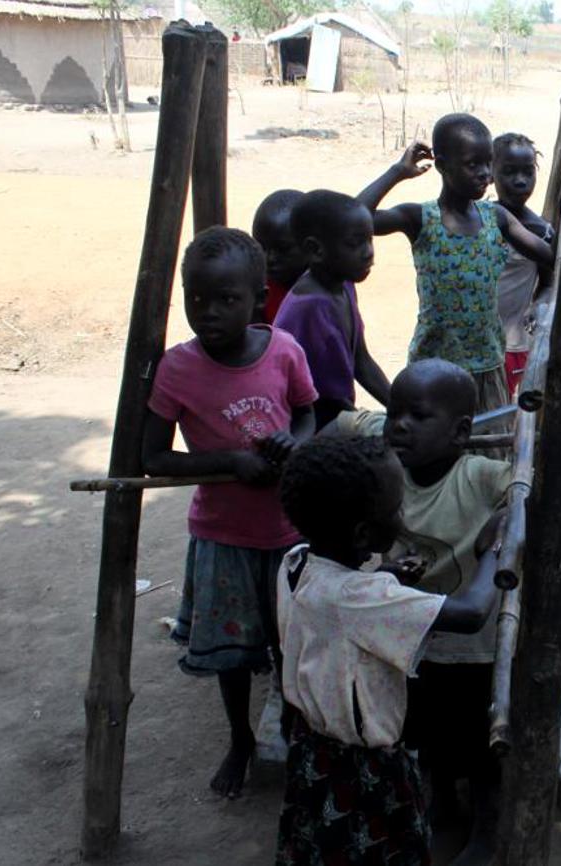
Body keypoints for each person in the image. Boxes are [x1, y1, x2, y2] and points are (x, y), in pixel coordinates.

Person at [141, 226, 318, 798]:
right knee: (234, 651)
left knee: (292, 640)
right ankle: (240, 738)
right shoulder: (177, 370)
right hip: (224, 535)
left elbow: (310, 414)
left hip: (289, 528)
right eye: (198, 299)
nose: (210, 312)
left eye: (227, 300)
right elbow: (153, 458)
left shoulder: (283, 350)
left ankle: (297, 728)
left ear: (257, 298)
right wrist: (231, 462)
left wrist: (293, 441)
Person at [274, 435, 499, 865]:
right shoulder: (361, 598)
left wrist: (389, 575)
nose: (404, 515)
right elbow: (471, 613)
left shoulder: (297, 561)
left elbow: (336, 612)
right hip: (365, 767)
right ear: (363, 533)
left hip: (311, 747)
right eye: (397, 509)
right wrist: (493, 548)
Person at [325, 359, 511, 865]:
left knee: (478, 744)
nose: (400, 425)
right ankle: (443, 808)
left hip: (473, 646)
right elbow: (343, 422)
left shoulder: (481, 476)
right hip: (413, 638)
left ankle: (487, 828)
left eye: (418, 416)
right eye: (395, 413)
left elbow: (527, 491)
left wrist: (509, 514)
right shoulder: (388, 469)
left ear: (461, 433)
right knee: (425, 731)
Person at [356, 114, 554, 420]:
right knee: (431, 454)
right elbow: (355, 217)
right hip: (433, 368)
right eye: (472, 164)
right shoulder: (421, 219)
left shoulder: (496, 219)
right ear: (442, 166)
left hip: (488, 369)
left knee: (489, 456)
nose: (484, 173)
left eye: (487, 163)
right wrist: (398, 172)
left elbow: (548, 254)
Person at [274, 189, 393, 430]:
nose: (368, 251)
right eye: (354, 243)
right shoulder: (309, 308)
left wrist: (400, 408)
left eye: (369, 240)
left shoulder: (343, 282)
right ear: (316, 250)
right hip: (305, 427)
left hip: (334, 414)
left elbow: (362, 361)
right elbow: (322, 399)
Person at [492, 132, 554, 393]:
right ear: (491, 171)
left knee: (499, 417)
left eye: (528, 172)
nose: (520, 181)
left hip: (510, 344)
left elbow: (548, 283)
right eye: (509, 172)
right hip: (466, 342)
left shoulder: (540, 232)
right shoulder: (477, 220)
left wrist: (536, 308)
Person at [251, 189, 305, 324]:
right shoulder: (257, 287)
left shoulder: (328, 292)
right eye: (261, 247)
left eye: (283, 249)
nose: (269, 259)